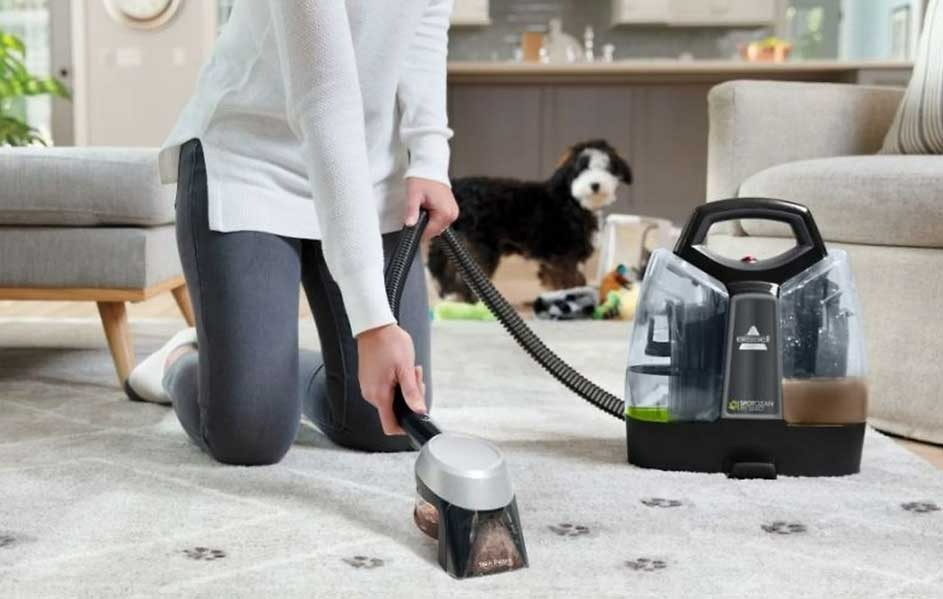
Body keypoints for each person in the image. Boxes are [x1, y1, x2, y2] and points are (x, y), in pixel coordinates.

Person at [125, 0, 458, 465]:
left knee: (389, 421)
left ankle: (264, 365)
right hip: (251, 163)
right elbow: (325, 96)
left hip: (366, 176)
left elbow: (424, 29)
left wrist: (428, 159)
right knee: (249, 434)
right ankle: (181, 359)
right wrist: (375, 323)